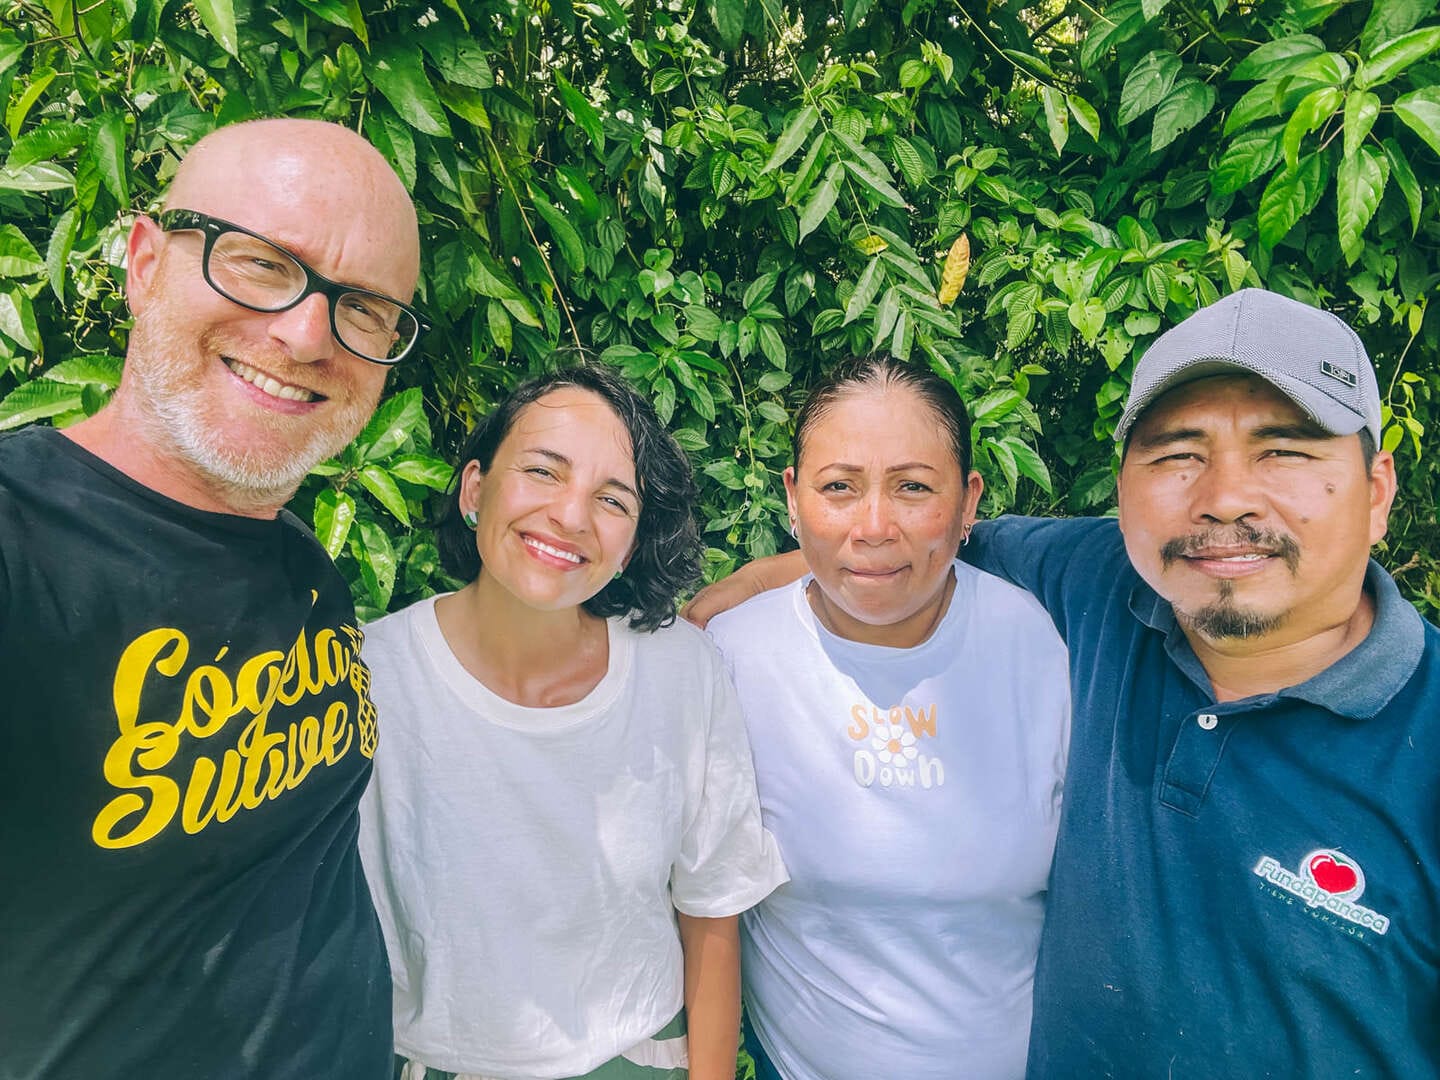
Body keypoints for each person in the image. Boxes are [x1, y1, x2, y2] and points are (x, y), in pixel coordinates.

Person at [685, 289, 1440, 1075]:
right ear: (1123, 488)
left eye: (1283, 451)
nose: (1225, 499)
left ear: (1377, 490)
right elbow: (895, 555)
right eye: (1178, 455)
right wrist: (761, 584)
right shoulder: (1091, 589)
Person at [0, 118, 425, 1078]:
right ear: (145, 263)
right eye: (262, 264)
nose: (306, 334)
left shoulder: (302, 561)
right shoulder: (21, 545)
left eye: (364, 308)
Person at [356, 364, 787, 1080]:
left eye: (612, 499)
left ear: (632, 543)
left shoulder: (680, 671)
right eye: (543, 471)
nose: (571, 515)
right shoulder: (368, 677)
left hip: (640, 1056)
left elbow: (711, 909)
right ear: (474, 488)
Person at [705, 356, 1071, 1080]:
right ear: (793, 497)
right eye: (839, 487)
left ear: (969, 502)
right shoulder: (732, 657)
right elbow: (698, 900)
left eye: (913, 487)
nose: (874, 527)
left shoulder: (1037, 641)